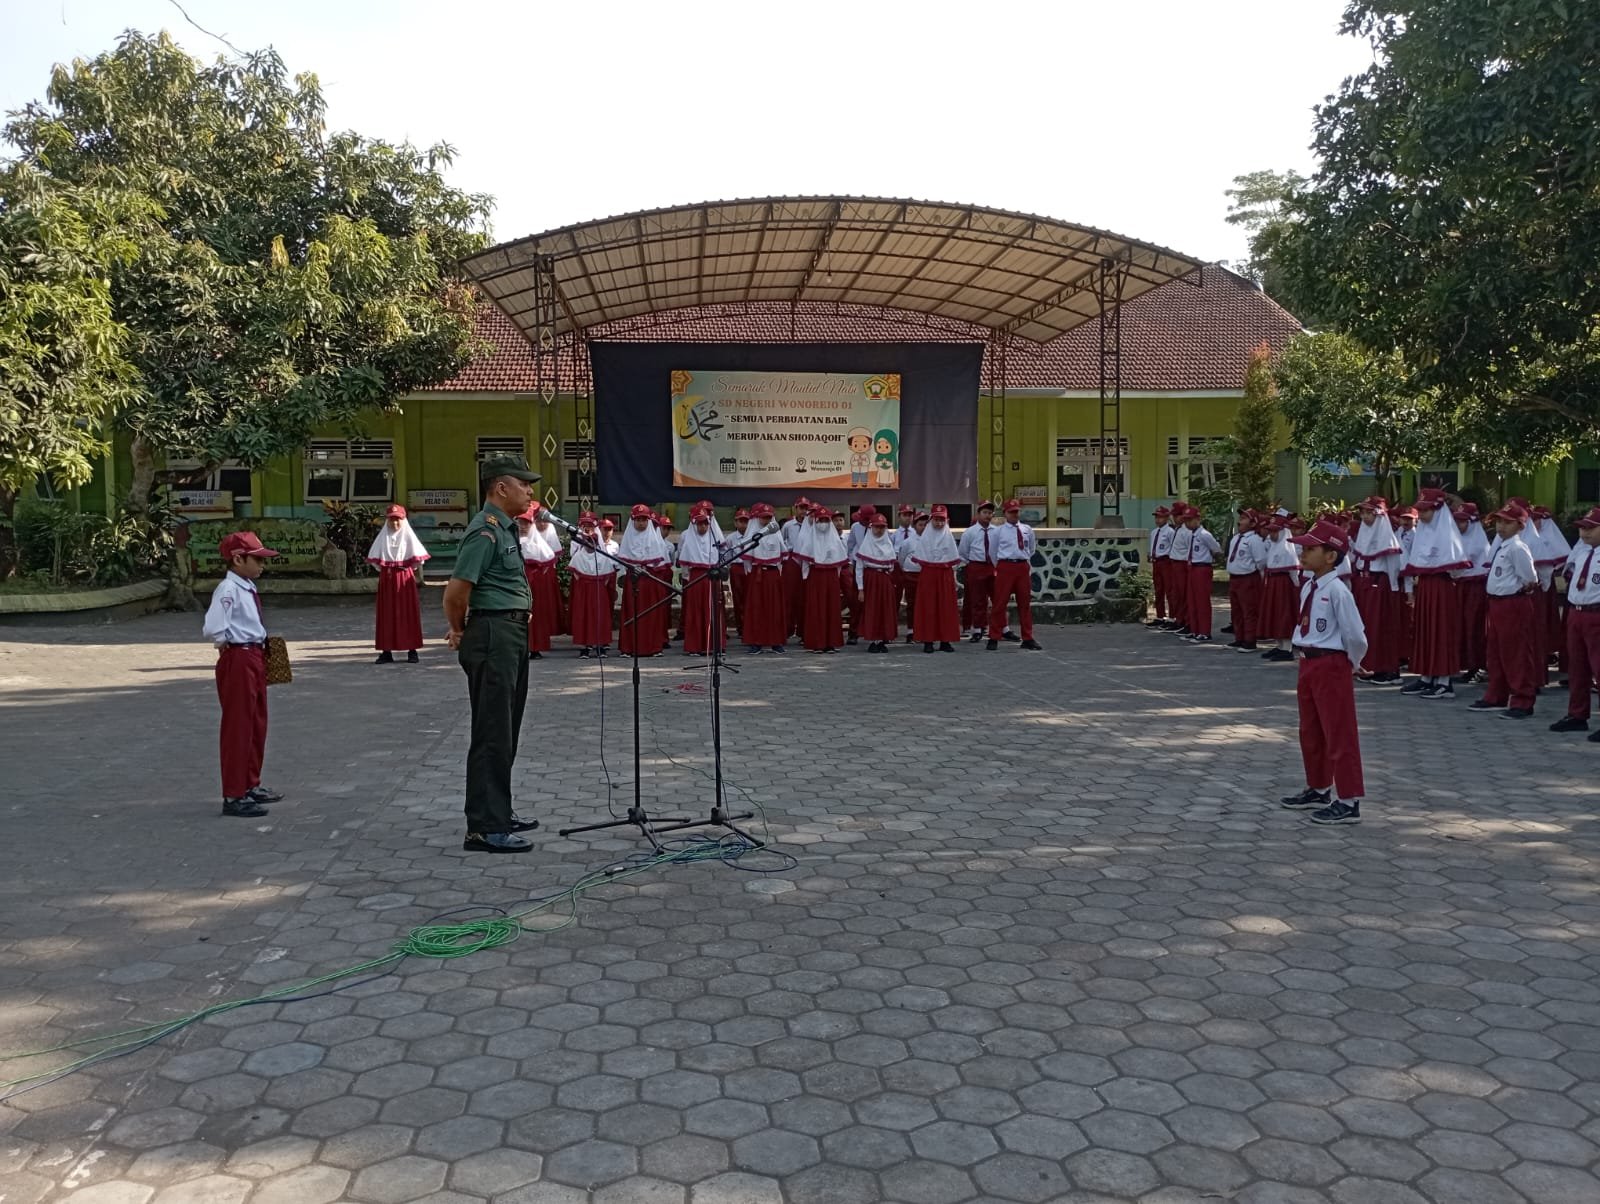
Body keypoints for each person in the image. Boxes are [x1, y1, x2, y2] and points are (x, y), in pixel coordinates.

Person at [443, 455, 543, 854]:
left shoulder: (504, 528)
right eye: (524, 484)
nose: (530, 491)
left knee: (507, 727)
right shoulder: (484, 532)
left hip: (509, 633)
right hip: (493, 634)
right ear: (502, 488)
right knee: (492, 731)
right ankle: (484, 827)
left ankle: (499, 809)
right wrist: (458, 630)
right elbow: (456, 592)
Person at [1279, 519, 1368, 826]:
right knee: (1311, 730)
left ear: (1331, 556)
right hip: (1309, 662)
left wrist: (1353, 662)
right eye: (1303, 549)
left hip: (1331, 664)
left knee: (1339, 732)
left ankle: (1349, 800)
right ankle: (1318, 787)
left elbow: (1355, 635)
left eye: (1311, 549)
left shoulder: (1339, 591)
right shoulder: (1310, 586)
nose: (1303, 554)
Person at [203, 531, 285, 818]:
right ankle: (234, 794)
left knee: (256, 722)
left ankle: (250, 783)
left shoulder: (246, 586)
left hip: (253, 655)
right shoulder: (228, 589)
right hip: (239, 656)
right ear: (238, 559)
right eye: (257, 559)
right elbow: (214, 627)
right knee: (238, 727)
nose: (262, 565)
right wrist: (227, 644)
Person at [1467, 501, 1541, 719]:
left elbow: (1530, 578)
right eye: (1499, 522)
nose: (1501, 527)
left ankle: (1523, 700)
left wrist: (1517, 591)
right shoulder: (1501, 546)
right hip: (1497, 604)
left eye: (1508, 523)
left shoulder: (1518, 548)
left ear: (1520, 525)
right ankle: (1496, 695)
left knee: (1516, 653)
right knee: (1496, 653)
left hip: (1512, 603)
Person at [1400, 488, 1469, 699]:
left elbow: (1457, 568)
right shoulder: (1423, 532)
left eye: (1426, 510)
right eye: (1420, 510)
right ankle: (1427, 676)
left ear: (1437, 510)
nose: (1421, 515)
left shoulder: (1448, 533)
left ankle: (1444, 681)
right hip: (1426, 586)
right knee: (1426, 630)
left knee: (1441, 631)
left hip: (1442, 587)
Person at [1552, 506, 1600, 738]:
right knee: (1577, 667)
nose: (1585, 533)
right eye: (1582, 528)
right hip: (1576, 613)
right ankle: (1577, 714)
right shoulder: (1581, 552)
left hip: (1596, 614)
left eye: (1591, 528)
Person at [1349, 497, 1404, 686]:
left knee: (1381, 627)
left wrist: (1393, 589)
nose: (1364, 516)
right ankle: (1369, 665)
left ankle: (1387, 669)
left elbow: (1393, 566)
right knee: (1367, 627)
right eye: (1362, 512)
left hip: (1380, 586)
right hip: (1365, 584)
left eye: (1369, 512)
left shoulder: (1387, 538)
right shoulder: (1364, 534)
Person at [367, 503, 429, 664]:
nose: (394, 523)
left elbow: (417, 562)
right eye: (391, 520)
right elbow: (377, 562)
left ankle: (412, 650)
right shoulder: (383, 538)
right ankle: (386, 651)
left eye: (398, 519)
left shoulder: (408, 537)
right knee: (386, 614)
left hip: (404, 579)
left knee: (407, 612)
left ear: (403, 520)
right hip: (387, 579)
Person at [987, 499, 1042, 650]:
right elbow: (992, 551)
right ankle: (994, 636)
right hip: (1005, 565)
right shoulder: (998, 531)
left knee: (1024, 603)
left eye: (1016, 511)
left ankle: (1027, 637)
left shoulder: (1027, 529)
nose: (1015, 515)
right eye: (1011, 512)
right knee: (1000, 603)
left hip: (1022, 565)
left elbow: (1031, 548)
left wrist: (1023, 560)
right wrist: (1000, 565)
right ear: (1005, 513)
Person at [617, 505, 672, 657]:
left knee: (651, 613)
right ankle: (629, 648)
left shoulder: (655, 540)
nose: (641, 523)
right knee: (631, 612)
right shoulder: (628, 539)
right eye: (638, 520)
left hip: (649, 581)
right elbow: (625, 561)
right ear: (633, 521)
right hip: (633, 581)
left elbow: (659, 564)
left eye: (644, 520)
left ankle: (653, 647)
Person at [676, 504, 726, 656]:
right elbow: (685, 564)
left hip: (712, 577)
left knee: (713, 610)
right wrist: (688, 578)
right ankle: (695, 646)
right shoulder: (689, 540)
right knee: (695, 611)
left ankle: (714, 645)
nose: (702, 527)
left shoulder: (714, 538)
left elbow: (722, 556)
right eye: (699, 523)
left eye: (705, 523)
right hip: (696, 579)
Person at [913, 504, 961, 653]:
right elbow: (920, 557)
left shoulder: (948, 537)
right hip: (928, 574)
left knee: (946, 607)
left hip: (945, 574)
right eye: (936, 520)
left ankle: (945, 640)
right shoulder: (925, 538)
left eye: (942, 520)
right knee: (928, 607)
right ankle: (928, 640)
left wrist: (954, 578)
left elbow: (953, 560)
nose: (939, 523)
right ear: (931, 520)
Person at [798, 506, 847, 653]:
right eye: (821, 520)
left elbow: (839, 562)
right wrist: (806, 577)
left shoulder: (835, 540)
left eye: (826, 520)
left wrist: (836, 577)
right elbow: (805, 561)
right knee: (816, 608)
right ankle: (817, 643)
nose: (823, 524)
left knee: (832, 608)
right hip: (816, 576)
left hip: (831, 576)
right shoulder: (810, 538)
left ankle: (831, 642)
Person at [741, 502, 788, 654]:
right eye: (763, 517)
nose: (766, 520)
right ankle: (756, 641)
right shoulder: (752, 535)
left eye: (768, 517)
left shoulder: (776, 533)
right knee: (757, 608)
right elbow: (747, 560)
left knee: (774, 608)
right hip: (757, 574)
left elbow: (782, 556)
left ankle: (776, 641)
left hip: (773, 574)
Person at [1453, 503, 1491, 684]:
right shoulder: (1456, 538)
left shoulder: (1478, 542)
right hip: (1461, 586)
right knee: (1461, 626)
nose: (1459, 525)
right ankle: (1467, 664)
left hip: (1476, 586)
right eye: (1457, 521)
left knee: (1474, 626)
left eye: (1463, 521)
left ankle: (1478, 665)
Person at [517, 506, 561, 660]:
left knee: (536, 616)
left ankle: (535, 647)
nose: (523, 526)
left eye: (526, 523)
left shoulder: (538, 543)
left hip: (535, 586)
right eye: (521, 523)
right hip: (517, 584)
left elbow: (548, 560)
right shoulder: (512, 541)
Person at [567, 511, 612, 659]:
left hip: (598, 590)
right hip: (584, 591)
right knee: (584, 617)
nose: (589, 544)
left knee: (600, 617)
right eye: (587, 542)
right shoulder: (578, 556)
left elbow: (607, 576)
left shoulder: (602, 556)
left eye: (592, 542)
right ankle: (585, 646)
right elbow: (575, 574)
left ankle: (600, 646)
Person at [855, 511, 899, 653]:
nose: (879, 530)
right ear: (871, 528)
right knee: (872, 609)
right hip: (871, 579)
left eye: (882, 527)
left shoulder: (888, 545)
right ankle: (873, 640)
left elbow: (892, 566)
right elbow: (859, 568)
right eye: (876, 527)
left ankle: (883, 639)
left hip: (885, 579)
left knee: (885, 609)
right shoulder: (865, 546)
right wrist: (861, 588)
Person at [1257, 516, 1300, 662]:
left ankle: (1287, 648)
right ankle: (1280, 645)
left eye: (1275, 531)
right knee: (1274, 614)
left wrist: (1295, 587)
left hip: (1283, 585)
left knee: (1283, 614)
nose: (1272, 534)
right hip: (1273, 583)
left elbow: (1293, 572)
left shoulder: (1287, 550)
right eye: (1271, 531)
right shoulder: (1273, 547)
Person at [959, 500, 1001, 642]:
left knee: (997, 597)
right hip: (976, 566)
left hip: (992, 566)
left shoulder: (997, 531)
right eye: (984, 512)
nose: (987, 515)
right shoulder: (970, 532)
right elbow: (963, 552)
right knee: (978, 600)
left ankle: (1000, 627)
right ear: (978, 514)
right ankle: (978, 628)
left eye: (990, 513)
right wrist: (972, 563)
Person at [1224, 508, 1265, 652]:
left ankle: (1250, 640)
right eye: (1240, 518)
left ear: (1253, 523)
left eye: (1244, 518)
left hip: (1248, 578)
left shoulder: (1254, 540)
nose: (1240, 521)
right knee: (1236, 611)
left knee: (1249, 611)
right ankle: (1239, 637)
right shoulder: (1236, 538)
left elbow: (1261, 561)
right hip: (1234, 578)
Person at [1182, 508, 1223, 644]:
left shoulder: (1205, 535)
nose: (1188, 523)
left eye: (1190, 520)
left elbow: (1216, 549)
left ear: (1198, 519)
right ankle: (1195, 629)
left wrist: (1213, 558)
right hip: (1192, 568)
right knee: (1192, 600)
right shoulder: (1190, 535)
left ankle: (1205, 632)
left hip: (1202, 568)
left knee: (1202, 601)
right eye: (1186, 520)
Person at [896, 511, 929, 644]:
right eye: (920, 525)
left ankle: (924, 630)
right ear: (915, 526)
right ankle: (911, 631)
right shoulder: (908, 542)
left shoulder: (931, 540)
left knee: (926, 604)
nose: (923, 527)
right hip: (911, 575)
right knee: (912, 603)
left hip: (926, 575)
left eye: (926, 525)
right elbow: (901, 558)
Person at [781, 498, 811, 639]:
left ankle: (804, 631)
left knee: (805, 596)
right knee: (790, 596)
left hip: (807, 561)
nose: (803, 511)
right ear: (795, 508)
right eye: (801, 508)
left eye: (806, 508)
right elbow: (781, 541)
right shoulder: (788, 526)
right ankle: (787, 629)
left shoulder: (812, 524)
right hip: (792, 561)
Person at [1165, 505, 1194, 636]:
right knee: (1176, 594)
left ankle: (1186, 622)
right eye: (1174, 515)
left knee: (1184, 594)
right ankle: (1179, 619)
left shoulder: (1187, 531)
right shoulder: (1178, 529)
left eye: (1177, 515)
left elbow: (1190, 549)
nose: (1174, 518)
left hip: (1182, 564)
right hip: (1174, 564)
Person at [1146, 506, 1176, 628]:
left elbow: (1173, 547)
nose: (1158, 520)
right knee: (1158, 590)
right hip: (1156, 562)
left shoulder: (1170, 532)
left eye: (1161, 517)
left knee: (1169, 590)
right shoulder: (1154, 532)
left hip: (1166, 561)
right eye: (1156, 517)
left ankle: (1172, 617)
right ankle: (1160, 616)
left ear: (1167, 518)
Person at [727, 507, 752, 634]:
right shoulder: (730, 538)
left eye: (746, 521)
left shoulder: (752, 536)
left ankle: (750, 625)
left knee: (750, 597)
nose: (743, 524)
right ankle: (740, 626)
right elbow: (727, 556)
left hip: (749, 568)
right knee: (738, 598)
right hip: (736, 568)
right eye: (740, 521)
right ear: (735, 523)